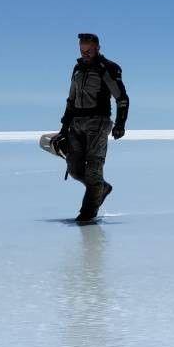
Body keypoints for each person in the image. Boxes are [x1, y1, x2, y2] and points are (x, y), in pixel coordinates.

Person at [59, 32, 130, 222]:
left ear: (97, 48)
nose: (85, 53)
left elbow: (121, 98)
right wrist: (63, 128)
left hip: (98, 124)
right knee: (74, 169)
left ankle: (86, 217)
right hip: (76, 124)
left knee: (93, 171)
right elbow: (71, 100)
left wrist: (120, 124)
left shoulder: (108, 68)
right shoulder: (77, 69)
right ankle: (101, 188)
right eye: (83, 50)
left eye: (89, 50)